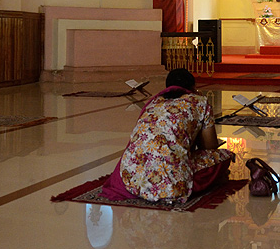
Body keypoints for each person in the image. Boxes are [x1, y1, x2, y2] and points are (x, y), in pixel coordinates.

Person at [101, 68, 235, 203]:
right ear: (193, 86)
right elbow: (210, 146)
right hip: (170, 184)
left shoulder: (154, 102)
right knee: (224, 156)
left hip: (131, 178)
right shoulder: (200, 101)